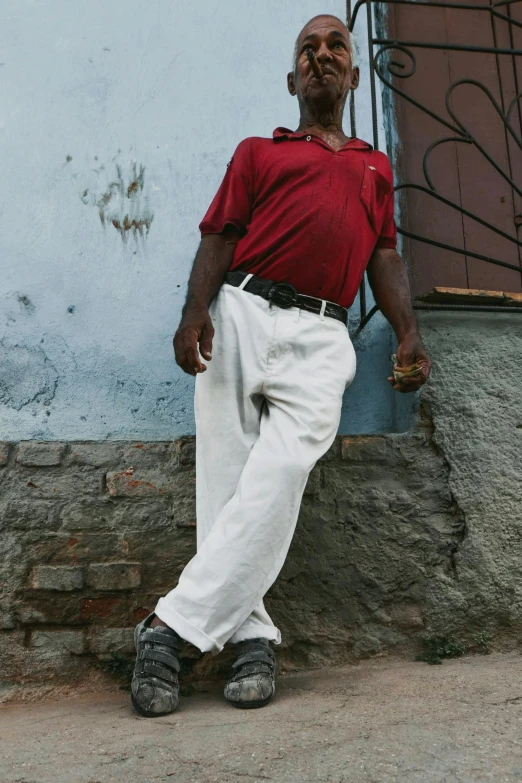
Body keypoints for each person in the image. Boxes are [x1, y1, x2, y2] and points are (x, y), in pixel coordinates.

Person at [131, 13, 431, 718]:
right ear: (291, 77)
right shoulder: (258, 154)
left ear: (354, 76)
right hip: (239, 311)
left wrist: (409, 330)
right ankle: (253, 639)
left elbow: (384, 256)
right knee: (227, 481)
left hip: (324, 333)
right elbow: (219, 235)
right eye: (308, 49)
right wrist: (193, 311)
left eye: (335, 48)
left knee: (283, 470)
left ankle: (167, 630)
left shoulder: (373, 168)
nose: (321, 56)